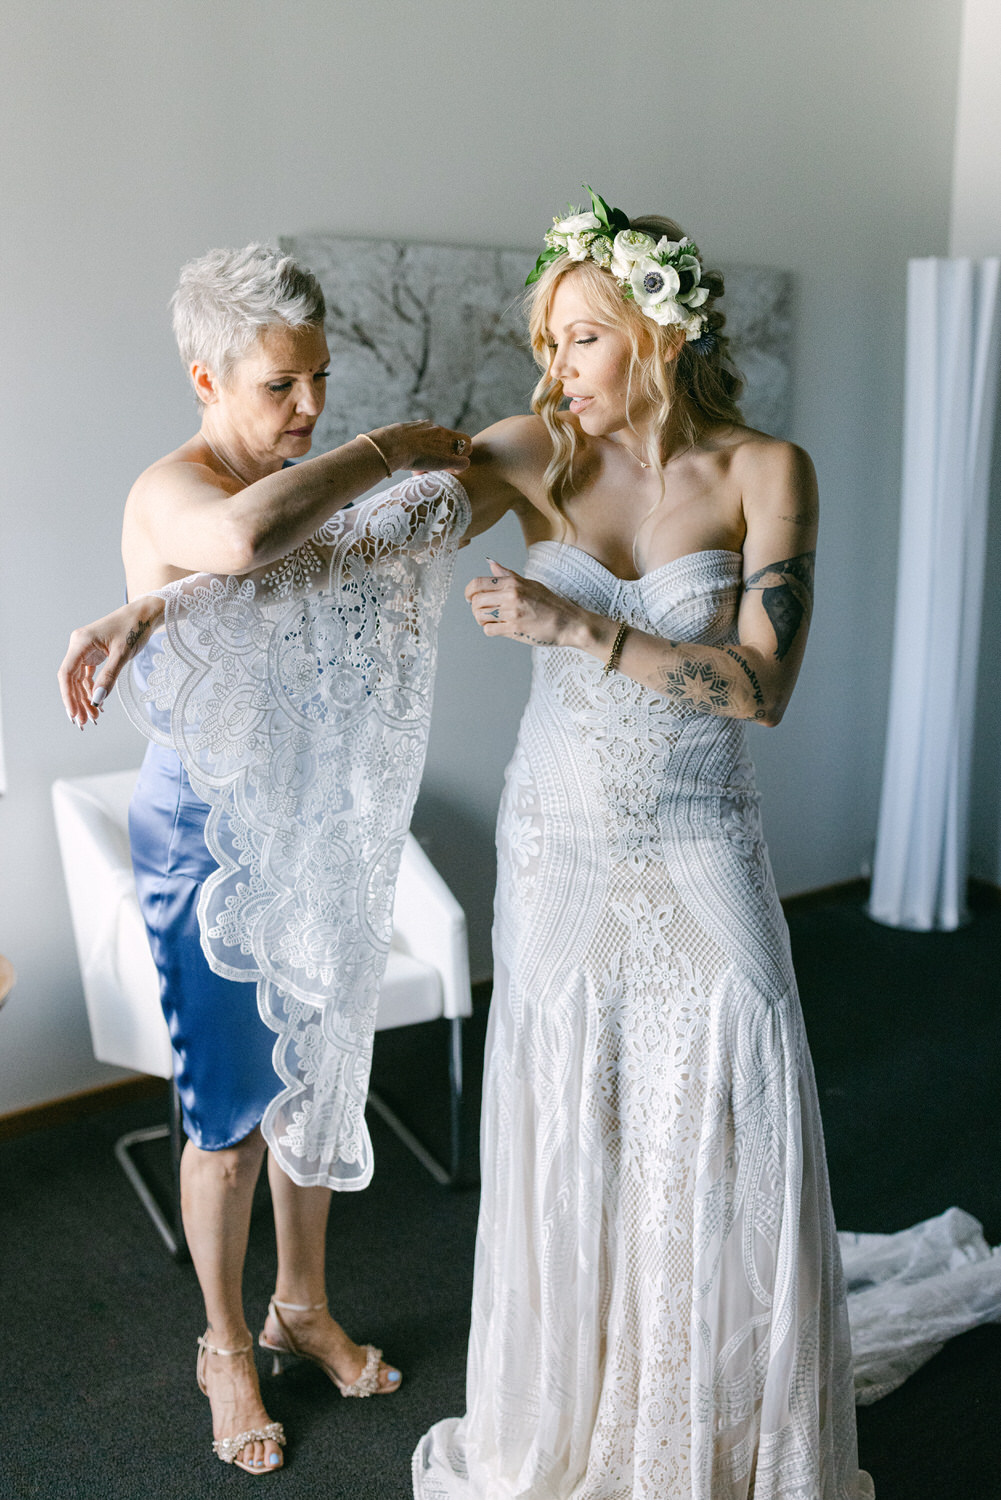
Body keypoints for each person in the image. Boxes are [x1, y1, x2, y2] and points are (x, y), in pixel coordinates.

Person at [62, 194, 873, 1495]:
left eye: (578, 342)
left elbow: (762, 686)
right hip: (557, 832)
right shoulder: (523, 453)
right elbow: (318, 556)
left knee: (733, 1089)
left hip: (700, 831)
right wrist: (142, 606)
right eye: (543, 343)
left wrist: (580, 629)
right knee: (573, 1117)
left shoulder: (767, 472)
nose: (551, 371)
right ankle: (578, 1383)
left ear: (655, 335)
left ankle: (716, 1388)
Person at [59, 242, 470, 1475]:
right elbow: (238, 547)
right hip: (206, 843)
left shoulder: (303, 482)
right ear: (205, 377)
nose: (309, 408)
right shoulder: (169, 490)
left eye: (320, 380)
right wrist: (390, 445)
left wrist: (152, 609)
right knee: (230, 1118)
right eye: (280, 386)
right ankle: (225, 1345)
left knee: (317, 1082)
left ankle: (303, 1302)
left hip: (314, 827)